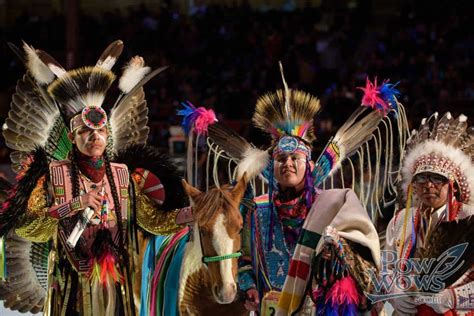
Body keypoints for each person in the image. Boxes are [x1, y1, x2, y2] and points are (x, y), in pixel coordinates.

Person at [0, 41, 186, 315]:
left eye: (99, 132)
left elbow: (151, 220)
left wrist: (193, 213)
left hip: (116, 284)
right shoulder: (53, 175)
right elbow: (30, 228)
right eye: (85, 133)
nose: (93, 137)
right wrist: (75, 204)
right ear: (72, 138)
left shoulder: (122, 176)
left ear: (107, 135)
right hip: (70, 285)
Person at [233, 68, 403, 315]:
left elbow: (359, 254)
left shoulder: (332, 205)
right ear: (272, 167)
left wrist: (337, 251)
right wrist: (248, 287)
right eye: (281, 159)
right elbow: (244, 258)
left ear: (310, 166)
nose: (287, 164)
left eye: (294, 158)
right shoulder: (258, 208)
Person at [385, 112, 474, 315]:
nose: (428, 185)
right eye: (421, 179)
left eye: (437, 178)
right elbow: (386, 268)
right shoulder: (401, 220)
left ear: (453, 185)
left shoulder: (469, 218)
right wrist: (393, 290)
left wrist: (452, 298)